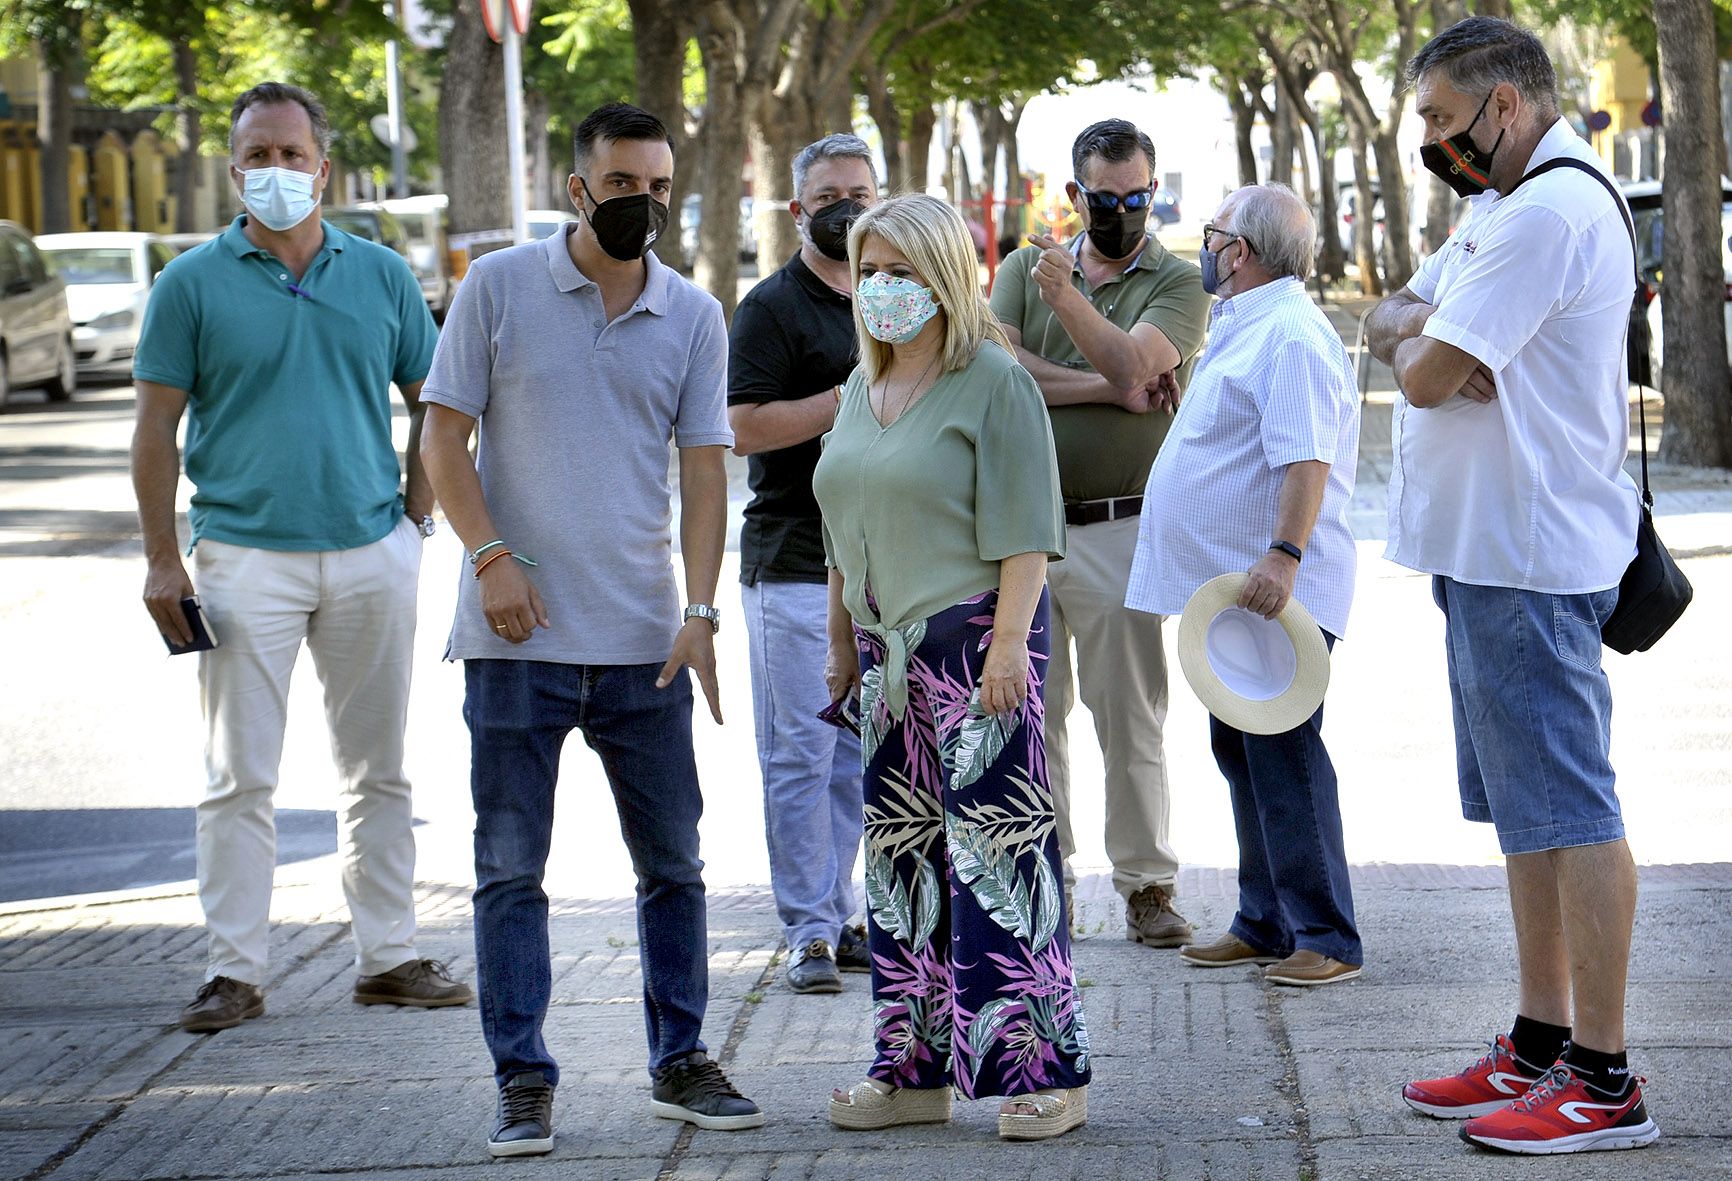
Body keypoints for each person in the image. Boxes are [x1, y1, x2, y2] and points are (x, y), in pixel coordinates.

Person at [418, 102, 761, 1159]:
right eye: (622, 185)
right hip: (514, 641)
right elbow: (442, 436)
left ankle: (681, 1057)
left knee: (675, 866)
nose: (641, 204)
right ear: (578, 189)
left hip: (643, 643)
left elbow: (706, 474)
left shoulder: (695, 313)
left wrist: (701, 611)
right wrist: (490, 558)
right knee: (510, 870)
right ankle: (521, 1078)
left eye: (658, 187)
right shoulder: (499, 288)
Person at [1367, 17, 1658, 1155]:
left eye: (1441, 119)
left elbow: (1425, 371)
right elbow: (1396, 310)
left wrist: (1421, 337)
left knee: (1569, 808)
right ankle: (1539, 1040)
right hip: (1484, 551)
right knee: (1524, 815)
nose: (1431, 143)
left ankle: (1603, 1075)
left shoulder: (1544, 210)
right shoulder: (1497, 203)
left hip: (1531, 557)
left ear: (1502, 104)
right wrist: (1421, 329)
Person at [130, 81, 470, 1034]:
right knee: (238, 775)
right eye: (258, 157)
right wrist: (165, 556)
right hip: (242, 560)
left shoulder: (381, 274)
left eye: (292, 155)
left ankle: (389, 956)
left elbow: (435, 404)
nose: (276, 171)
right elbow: (155, 426)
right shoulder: (189, 283)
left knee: (379, 771)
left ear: (324, 168)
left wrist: (414, 518)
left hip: (371, 552)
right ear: (233, 170)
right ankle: (233, 972)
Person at [815, 194, 1090, 1142]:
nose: (884, 288)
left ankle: (1041, 1067)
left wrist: (1011, 645)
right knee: (900, 868)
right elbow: (838, 533)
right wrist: (839, 639)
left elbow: (1026, 530)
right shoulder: (860, 386)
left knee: (996, 858)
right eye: (871, 269)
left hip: (978, 646)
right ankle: (913, 1067)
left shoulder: (992, 380)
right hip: (883, 656)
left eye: (903, 269)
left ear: (943, 276)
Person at [1125, 183, 1363, 989]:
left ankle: (1325, 934)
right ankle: (1264, 921)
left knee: (1285, 753)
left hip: (1272, 588)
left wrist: (1284, 554)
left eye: (1214, 231)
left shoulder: (1289, 334)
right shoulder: (1247, 323)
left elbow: (1307, 459)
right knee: (1244, 748)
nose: (1206, 243)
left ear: (1243, 251)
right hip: (1235, 589)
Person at [989, 119, 1209, 948]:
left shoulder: (1178, 280)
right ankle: (1049, 878)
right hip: (1025, 532)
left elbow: (1136, 362)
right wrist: (1108, 386)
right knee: (1031, 715)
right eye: (1107, 198)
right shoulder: (1020, 267)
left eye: (1139, 196)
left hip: (1124, 527)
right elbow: (999, 370)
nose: (1124, 211)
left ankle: (1148, 884)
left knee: (1131, 716)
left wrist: (1069, 306)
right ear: (1075, 195)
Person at [728, 133, 877, 994]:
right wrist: (847, 399)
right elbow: (741, 426)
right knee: (799, 750)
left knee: (857, 752)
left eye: (858, 192)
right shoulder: (770, 308)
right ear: (798, 210)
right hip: (789, 559)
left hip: (876, 565)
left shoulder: (896, 293)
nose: (843, 208)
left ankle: (839, 908)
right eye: (827, 196)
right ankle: (807, 929)